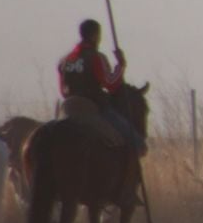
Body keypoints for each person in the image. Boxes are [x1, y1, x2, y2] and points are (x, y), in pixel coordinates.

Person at [58, 19, 143, 155]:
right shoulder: (96, 58)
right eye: (99, 35)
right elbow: (111, 84)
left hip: (67, 108)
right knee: (137, 142)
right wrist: (121, 65)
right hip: (92, 107)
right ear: (94, 35)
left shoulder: (65, 60)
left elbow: (62, 90)